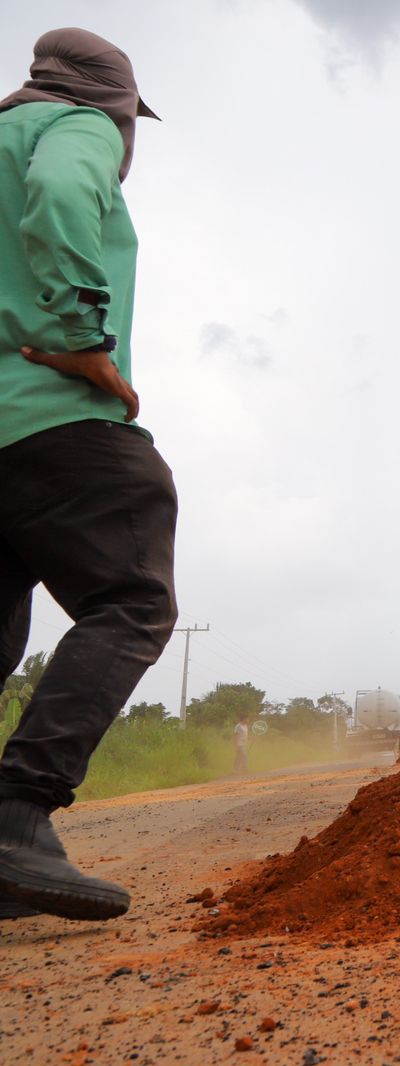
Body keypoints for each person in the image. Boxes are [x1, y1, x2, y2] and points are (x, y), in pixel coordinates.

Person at [0, 29, 172, 924]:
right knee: (133, 597)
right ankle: (18, 816)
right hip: (54, 421)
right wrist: (80, 339)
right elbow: (65, 190)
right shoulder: (73, 124)